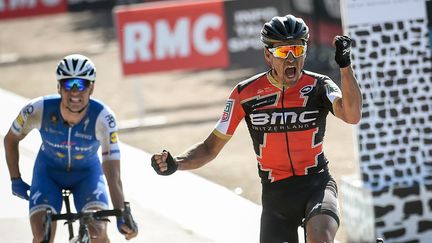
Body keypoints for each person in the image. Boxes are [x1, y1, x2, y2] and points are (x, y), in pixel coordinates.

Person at [151, 14, 362, 243]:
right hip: (276, 195)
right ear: (268, 56)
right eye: (282, 52)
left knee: (319, 237)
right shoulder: (245, 93)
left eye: (297, 49)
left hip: (317, 184)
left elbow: (352, 115)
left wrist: (345, 66)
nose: (291, 58)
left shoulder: (320, 86)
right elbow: (209, 148)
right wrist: (177, 163)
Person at [4, 54, 138, 243]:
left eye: (82, 85)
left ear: (92, 88)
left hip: (87, 175)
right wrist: (15, 178)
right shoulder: (37, 110)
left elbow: (113, 174)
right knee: (43, 235)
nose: (75, 92)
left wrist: (121, 213)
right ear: (59, 87)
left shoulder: (103, 118)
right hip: (48, 174)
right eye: (68, 85)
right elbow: (10, 139)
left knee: (98, 232)